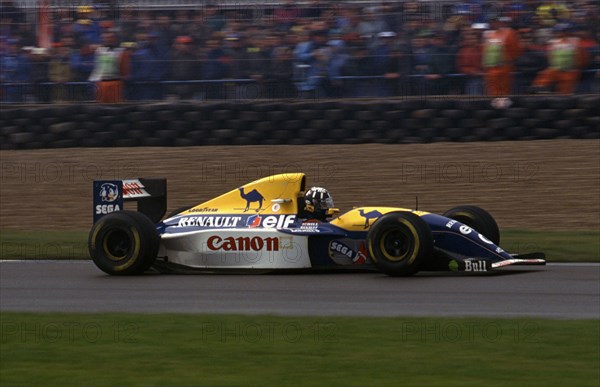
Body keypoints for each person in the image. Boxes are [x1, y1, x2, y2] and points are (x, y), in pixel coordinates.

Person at [531, 23, 589, 93]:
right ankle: (539, 90)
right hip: (562, 71)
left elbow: (582, 59)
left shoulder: (573, 42)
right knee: (544, 81)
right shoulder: (574, 42)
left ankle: (539, 91)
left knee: (563, 91)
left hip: (567, 71)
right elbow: (583, 60)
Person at [482, 16, 521, 95]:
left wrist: (509, 62)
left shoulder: (509, 32)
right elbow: (484, 51)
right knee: (492, 92)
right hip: (490, 69)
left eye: (496, 21)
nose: (494, 23)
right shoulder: (487, 34)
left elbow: (516, 50)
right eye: (492, 21)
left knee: (503, 92)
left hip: (504, 68)